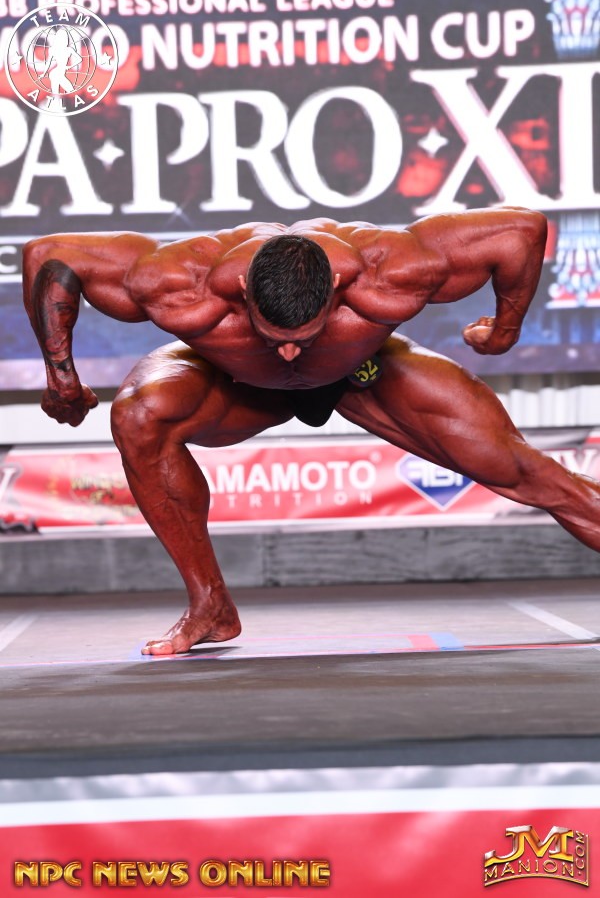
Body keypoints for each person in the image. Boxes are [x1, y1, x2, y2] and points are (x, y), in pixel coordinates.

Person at [22, 209, 600, 655]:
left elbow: (520, 231)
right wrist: (61, 376)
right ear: (244, 294)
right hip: (237, 383)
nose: (290, 352)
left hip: (360, 374)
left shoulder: (391, 269)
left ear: (336, 290)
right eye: (274, 338)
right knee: (138, 415)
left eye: (305, 336)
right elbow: (51, 258)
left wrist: (504, 330)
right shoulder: (180, 281)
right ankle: (210, 606)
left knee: (517, 470)